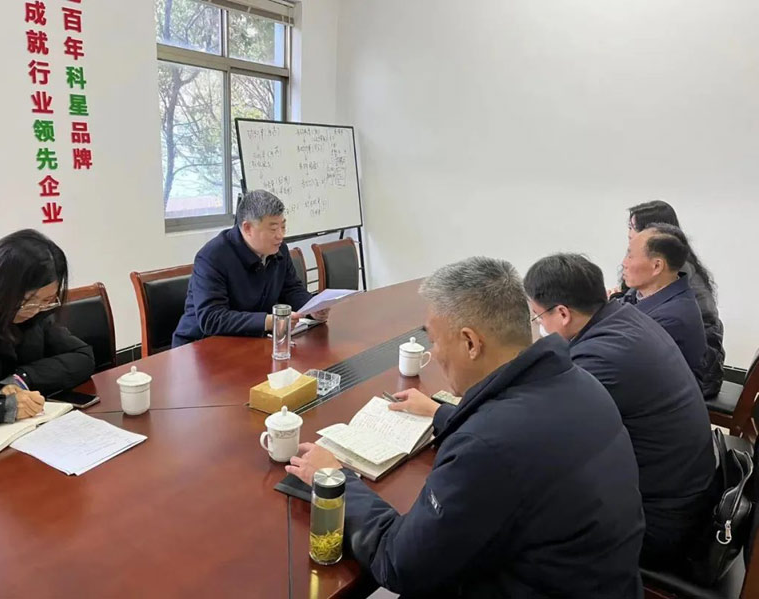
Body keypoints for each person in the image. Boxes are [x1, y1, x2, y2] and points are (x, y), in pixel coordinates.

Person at [287, 257, 645, 598]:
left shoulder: (487, 446)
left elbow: (399, 563)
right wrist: (442, 414)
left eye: (434, 340)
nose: (435, 354)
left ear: (471, 343)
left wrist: (337, 480)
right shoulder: (580, 383)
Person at [524, 253, 715, 565]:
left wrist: (450, 414)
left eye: (538, 317)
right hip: (686, 494)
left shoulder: (601, 358)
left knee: (515, 515)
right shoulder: (624, 318)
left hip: (659, 523)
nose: (540, 326)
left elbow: (539, 438)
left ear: (562, 313)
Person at [0, 230, 95, 435]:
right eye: (27, 301)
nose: (35, 310)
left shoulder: (34, 312)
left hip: (18, 435)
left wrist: (21, 379)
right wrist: (2, 406)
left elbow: (82, 356)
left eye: (47, 301)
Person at [172, 190, 328, 346]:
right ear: (247, 228)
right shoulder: (212, 257)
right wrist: (268, 321)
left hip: (250, 340)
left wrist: (312, 307)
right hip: (201, 346)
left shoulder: (279, 249)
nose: (280, 235)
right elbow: (212, 318)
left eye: (283, 227)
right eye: (273, 229)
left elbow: (291, 289)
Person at [624, 200, 724, 397]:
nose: (629, 233)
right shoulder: (668, 271)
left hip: (700, 374)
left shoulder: (675, 281)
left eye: (634, 227)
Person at [621, 223, 707, 383]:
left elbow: (620, 362)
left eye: (630, 256)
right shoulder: (640, 294)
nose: (624, 263)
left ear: (657, 266)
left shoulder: (671, 318)